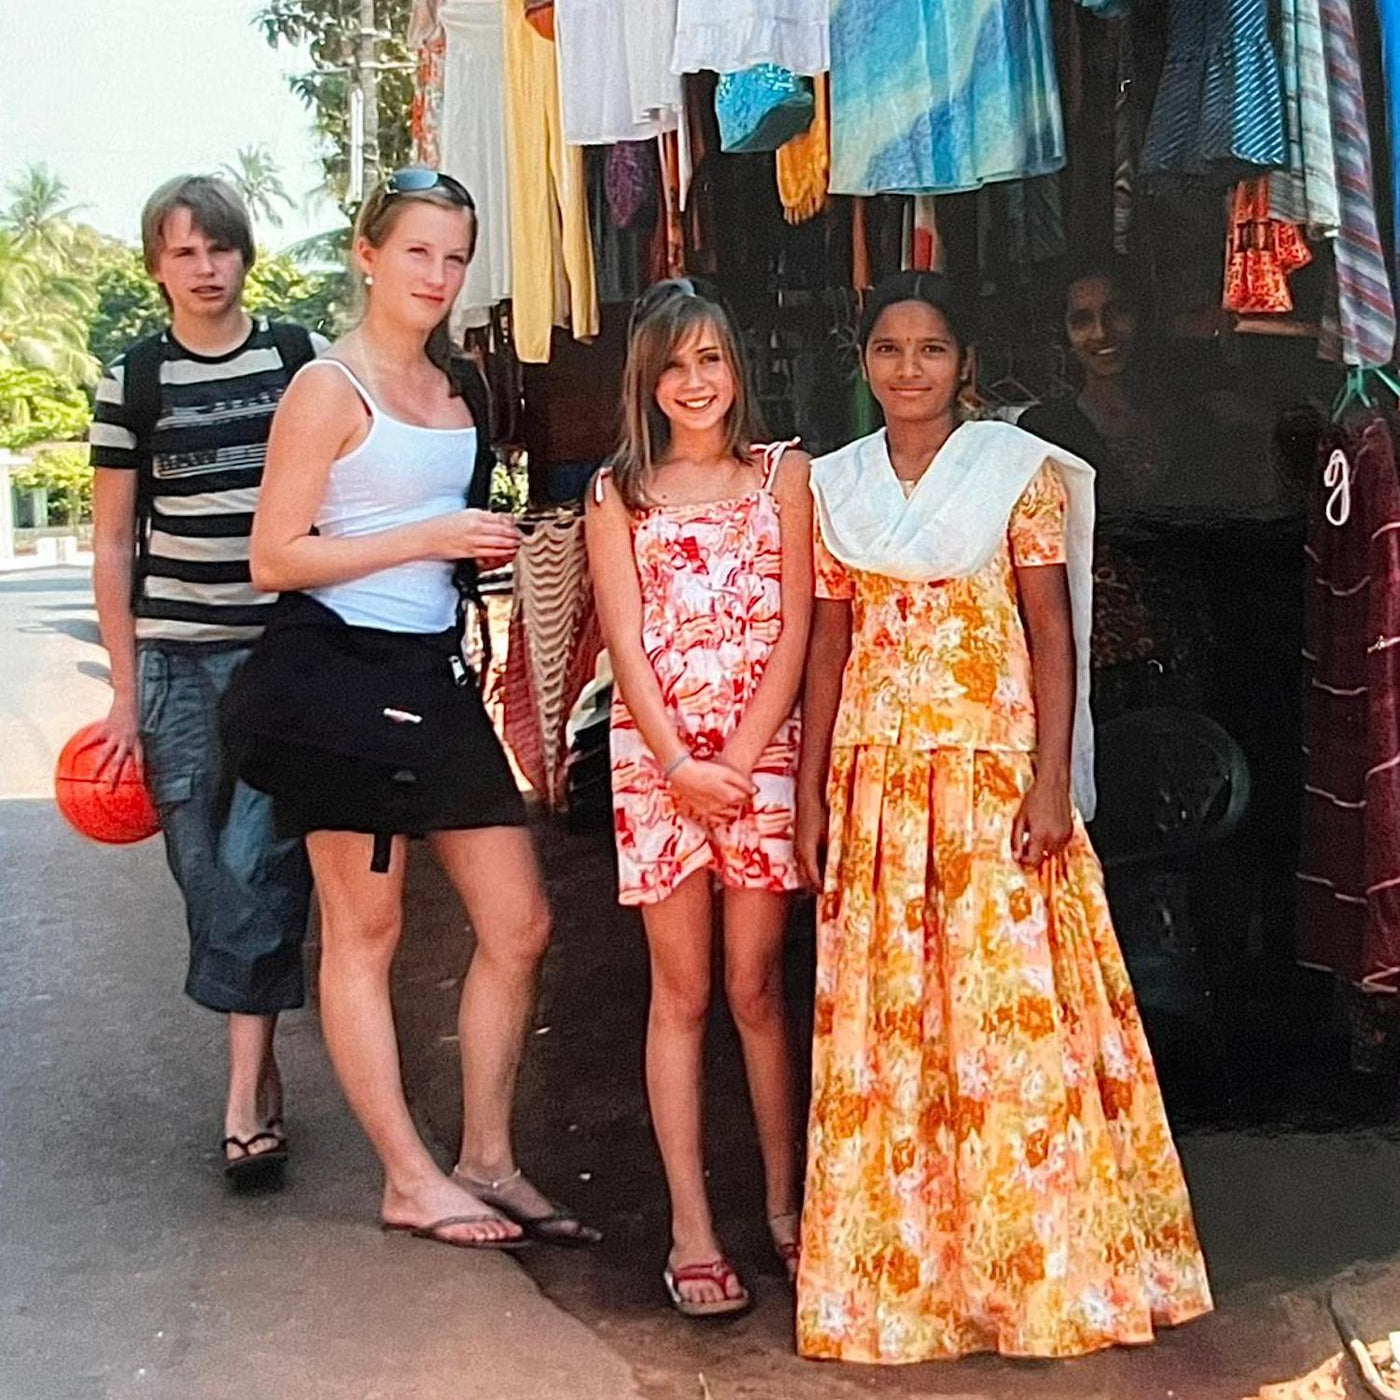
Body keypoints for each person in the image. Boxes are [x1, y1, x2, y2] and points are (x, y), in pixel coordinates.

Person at [794, 272, 1212, 1363]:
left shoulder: (1013, 473)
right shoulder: (835, 486)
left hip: (990, 778)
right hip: (877, 786)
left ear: (964, 363)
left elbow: (1050, 632)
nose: (909, 369)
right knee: (892, 1033)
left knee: (1010, 1025)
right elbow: (829, 643)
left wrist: (1048, 779)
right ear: (863, 361)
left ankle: (1042, 1281)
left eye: (931, 349)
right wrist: (809, 791)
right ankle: (907, 1292)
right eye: (888, 349)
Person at [227, 168, 597, 1250]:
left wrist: (474, 544)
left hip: (432, 675)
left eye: (454, 256)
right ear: (369, 254)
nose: (437, 275)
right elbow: (272, 557)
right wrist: (427, 537)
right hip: (339, 677)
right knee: (366, 929)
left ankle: (485, 1158)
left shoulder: (457, 386)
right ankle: (407, 1176)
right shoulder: (328, 387)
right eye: (417, 252)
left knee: (520, 922)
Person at [586, 279, 813, 1317]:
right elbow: (625, 641)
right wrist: (682, 767)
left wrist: (742, 761)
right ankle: (691, 1228)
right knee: (678, 993)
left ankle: (785, 1208)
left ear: (736, 368)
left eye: (710, 359)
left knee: (755, 987)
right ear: (647, 379)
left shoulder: (782, 476)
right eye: (673, 364)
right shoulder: (616, 493)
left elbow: (798, 629)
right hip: (659, 768)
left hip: (761, 760)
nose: (693, 381)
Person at [89, 175, 321, 1182]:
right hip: (176, 665)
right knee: (205, 871)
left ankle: (242, 1100)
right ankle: (259, 1067)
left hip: (282, 656)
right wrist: (123, 688)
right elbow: (112, 542)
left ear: (244, 255)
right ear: (157, 265)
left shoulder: (299, 361)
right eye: (183, 251)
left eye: (219, 248)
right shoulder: (132, 382)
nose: (204, 268)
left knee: (261, 861)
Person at [1018, 259, 1214, 720]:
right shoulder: (1046, 431)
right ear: (1065, 334)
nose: (1102, 332)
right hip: (1098, 665)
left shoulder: (1190, 419)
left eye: (1117, 312)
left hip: (1189, 652)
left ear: (1142, 315)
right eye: (1082, 320)